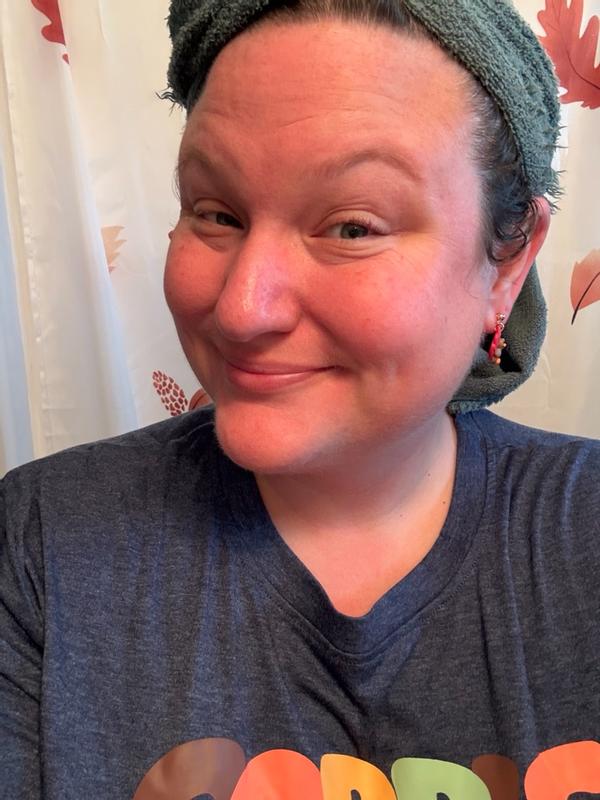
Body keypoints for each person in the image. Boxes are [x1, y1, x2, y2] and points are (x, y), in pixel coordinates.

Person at [2, 1, 600, 798]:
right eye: (216, 212)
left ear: (509, 262)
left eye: (352, 227)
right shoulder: (44, 545)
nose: (242, 310)